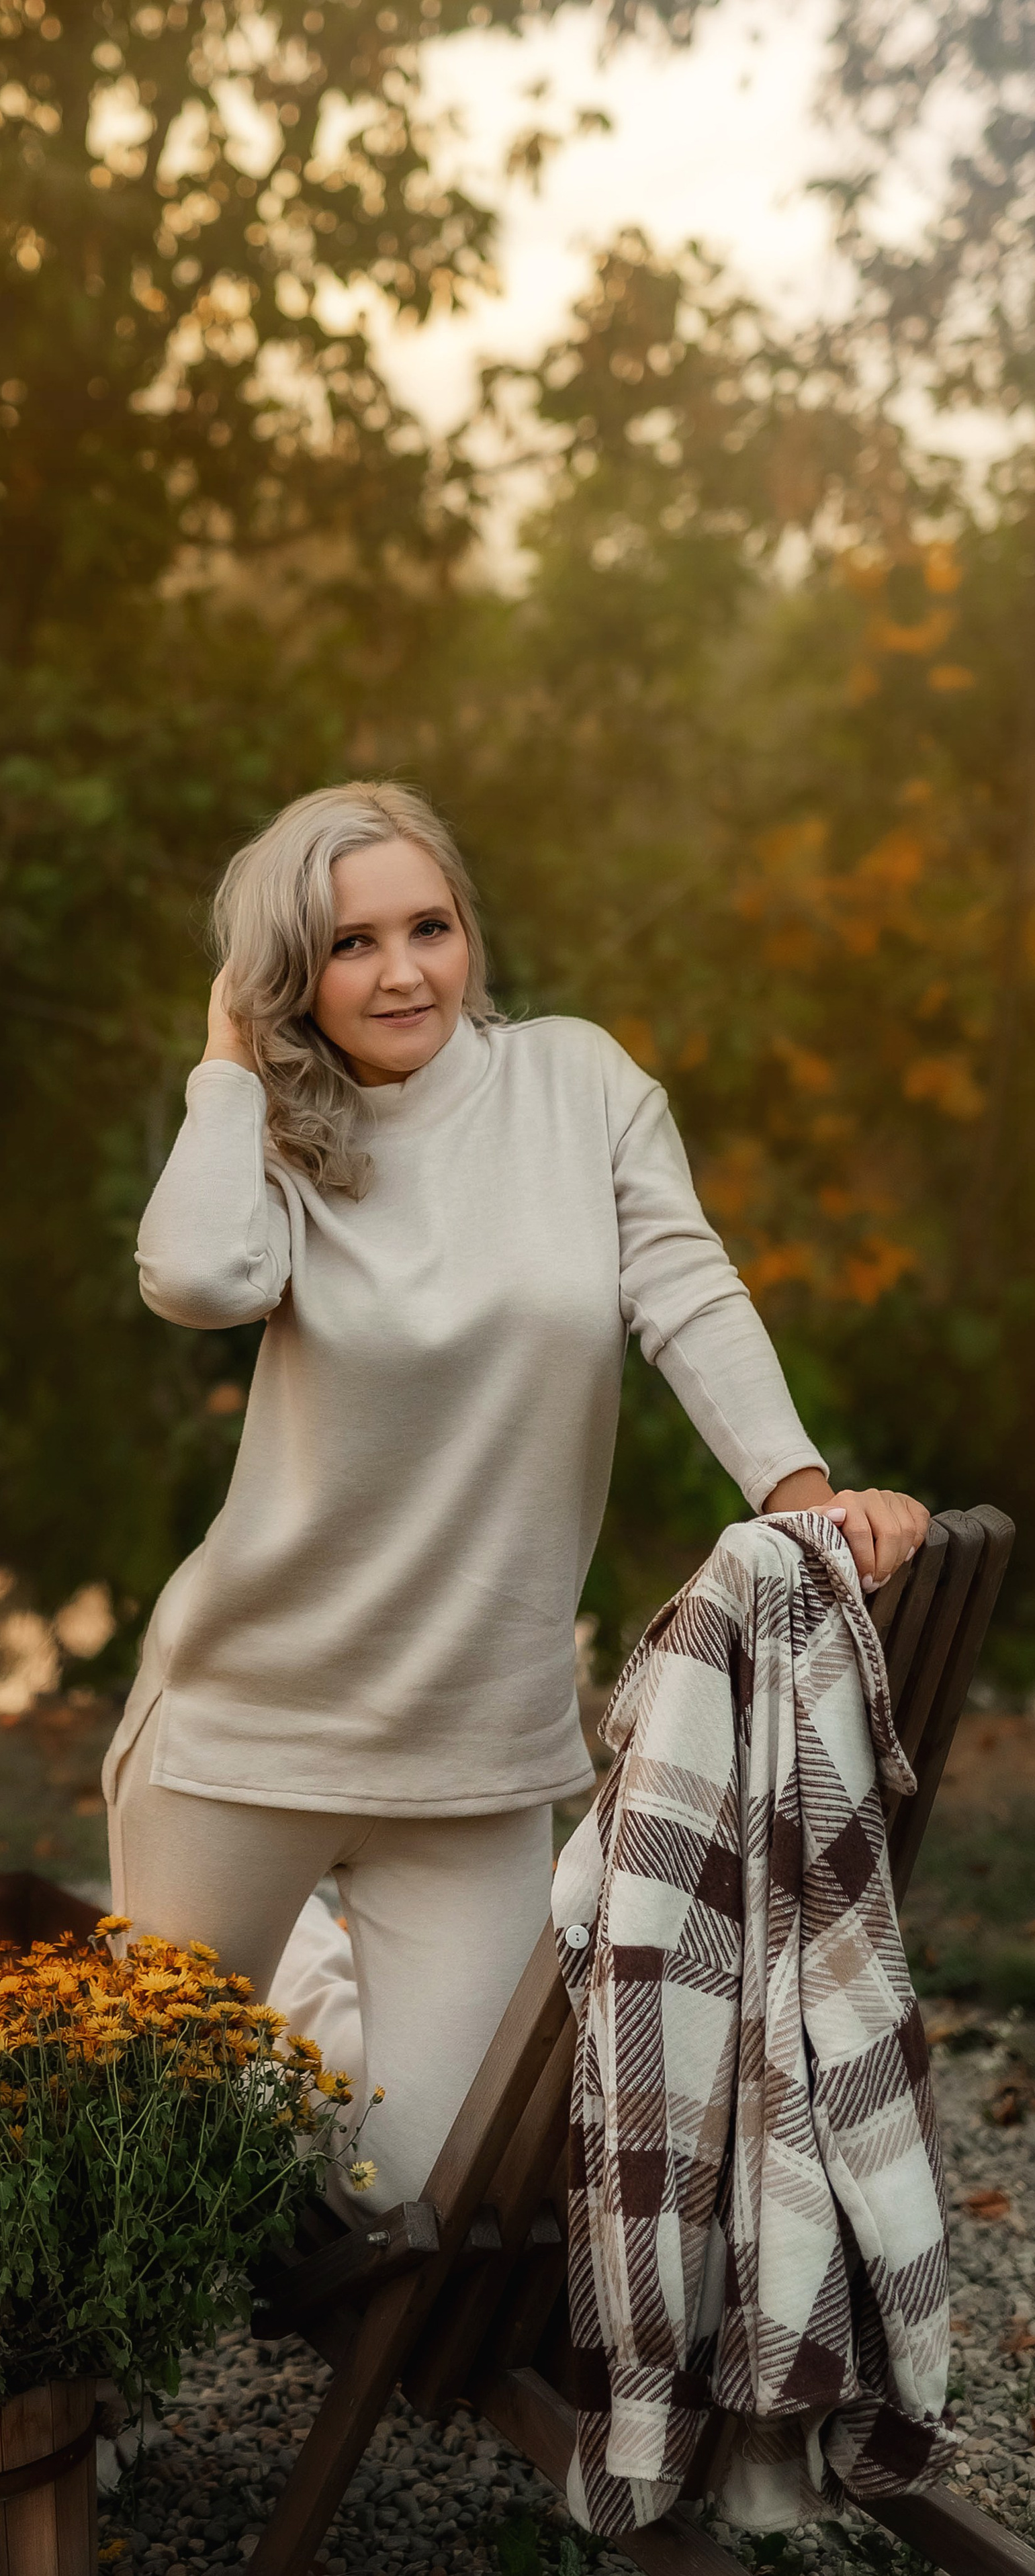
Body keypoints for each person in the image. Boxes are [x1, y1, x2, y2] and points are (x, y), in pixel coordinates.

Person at [103, 780, 929, 2211]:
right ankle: (145, 2312)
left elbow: (686, 1288)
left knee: (423, 2188)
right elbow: (196, 1277)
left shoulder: (573, 1082)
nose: (402, 971)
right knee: (143, 2132)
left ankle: (303, 2006)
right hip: (247, 1723)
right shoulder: (279, 1136)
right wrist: (227, 1062)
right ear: (290, 974)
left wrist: (800, 1496)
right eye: (350, 943)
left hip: (475, 1749)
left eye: (428, 927)